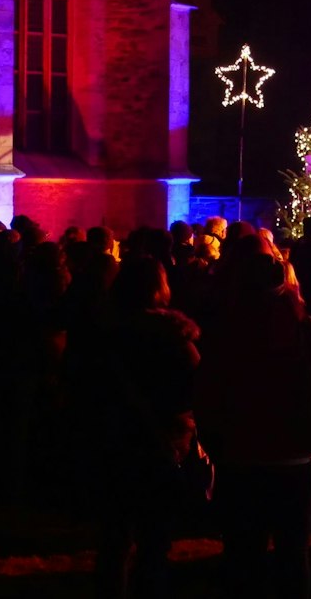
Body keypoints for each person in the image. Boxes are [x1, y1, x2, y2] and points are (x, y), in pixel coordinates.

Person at [196, 246, 311, 599]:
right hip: (297, 452)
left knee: (242, 552)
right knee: (292, 551)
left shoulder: (222, 329)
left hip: (239, 452)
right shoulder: (303, 328)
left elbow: (205, 388)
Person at [89, 254, 201, 599]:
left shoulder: (103, 331)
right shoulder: (174, 337)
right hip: (162, 440)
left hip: (114, 437)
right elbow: (196, 388)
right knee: (154, 539)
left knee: (114, 538)